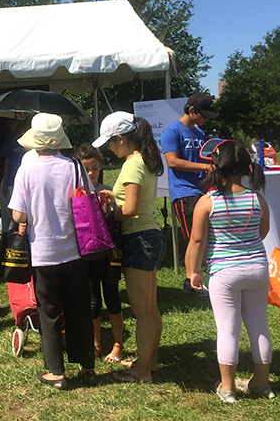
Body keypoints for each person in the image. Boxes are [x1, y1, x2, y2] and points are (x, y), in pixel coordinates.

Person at [9, 114, 95, 389]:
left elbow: (18, 213)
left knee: (49, 311)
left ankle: (56, 372)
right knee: (78, 308)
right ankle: (87, 366)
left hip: (42, 252)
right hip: (74, 249)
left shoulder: (27, 170)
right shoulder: (75, 167)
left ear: (35, 141)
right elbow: (89, 202)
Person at [185, 141, 274, 402]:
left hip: (224, 272)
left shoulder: (207, 202)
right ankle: (262, 383)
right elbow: (263, 232)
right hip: (257, 268)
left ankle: (227, 387)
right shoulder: (258, 199)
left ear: (215, 167)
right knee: (259, 326)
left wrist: (193, 271)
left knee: (227, 329)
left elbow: (197, 241)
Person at [96, 111, 165, 383]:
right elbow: (139, 200)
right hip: (151, 234)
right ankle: (151, 360)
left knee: (142, 311)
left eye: (110, 144)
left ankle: (142, 371)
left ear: (121, 139)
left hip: (137, 238)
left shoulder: (131, 165)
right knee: (151, 307)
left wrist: (108, 215)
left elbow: (131, 208)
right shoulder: (145, 160)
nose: (110, 149)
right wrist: (113, 196)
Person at [160, 93, 217, 297]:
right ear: (191, 110)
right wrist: (204, 166)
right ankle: (190, 281)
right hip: (184, 193)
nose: (206, 119)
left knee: (203, 237)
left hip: (202, 192)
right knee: (194, 238)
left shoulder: (200, 133)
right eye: (204, 115)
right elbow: (172, 162)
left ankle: (200, 278)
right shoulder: (172, 132)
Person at [74, 143, 125, 363]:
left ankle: (118, 344)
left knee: (112, 297)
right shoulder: (76, 194)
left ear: (101, 165)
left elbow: (119, 217)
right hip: (87, 255)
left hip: (108, 254)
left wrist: (111, 203)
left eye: (95, 168)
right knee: (92, 300)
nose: (91, 173)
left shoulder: (107, 191)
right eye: (86, 169)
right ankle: (95, 342)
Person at [0, 113, 30, 231]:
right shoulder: (10, 140)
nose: (12, 125)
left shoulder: (31, 140)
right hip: (11, 181)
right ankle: (8, 239)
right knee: (9, 214)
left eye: (14, 123)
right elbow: (7, 163)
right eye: (10, 123)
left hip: (26, 182)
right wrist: (5, 182)